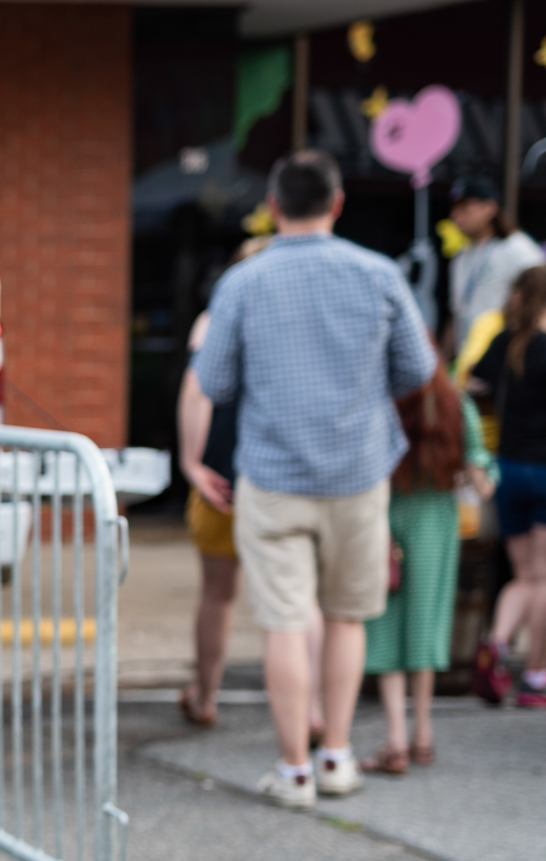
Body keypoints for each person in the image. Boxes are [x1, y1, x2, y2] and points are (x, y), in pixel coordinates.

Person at [194, 149, 435, 809]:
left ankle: (294, 771)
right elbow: (418, 369)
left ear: (274, 205)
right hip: (358, 474)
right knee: (347, 619)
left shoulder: (243, 282)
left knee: (284, 624)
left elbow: (213, 381)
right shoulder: (379, 274)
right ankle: (337, 758)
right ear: (337, 204)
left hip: (273, 477)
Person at [176, 235, 326, 732]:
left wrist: (192, 463)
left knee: (218, 595)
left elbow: (197, 391)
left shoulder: (214, 322)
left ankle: (206, 696)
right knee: (299, 598)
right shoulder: (303, 326)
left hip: (223, 478)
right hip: (286, 477)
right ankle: (312, 709)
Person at [363, 369, 497, 771]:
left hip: (385, 518)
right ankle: (423, 734)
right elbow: (483, 481)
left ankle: (395, 740)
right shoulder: (456, 404)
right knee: (426, 623)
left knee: (385, 625)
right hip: (436, 521)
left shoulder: (380, 401)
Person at [468, 264, 546, 708]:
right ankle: (535, 677)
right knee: (544, 578)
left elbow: (471, 383)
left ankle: (497, 643)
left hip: (509, 468)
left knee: (525, 576)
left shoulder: (506, 341)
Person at [447, 174, 543, 349]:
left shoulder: (517, 248)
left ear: (489, 208)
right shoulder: (461, 256)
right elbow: (457, 314)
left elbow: (539, 301)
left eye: (465, 208)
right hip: (469, 356)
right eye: (454, 209)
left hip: (504, 353)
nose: (456, 216)